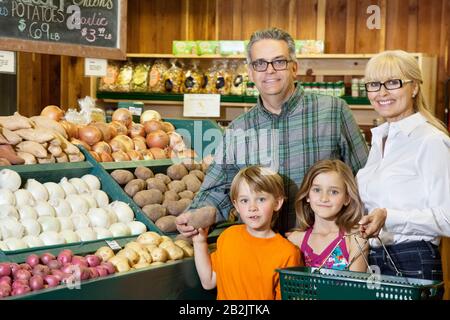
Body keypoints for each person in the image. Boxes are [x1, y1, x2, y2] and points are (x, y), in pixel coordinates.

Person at [176, 27, 368, 237]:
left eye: (279, 62)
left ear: (294, 68)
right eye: (260, 63)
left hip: (324, 251)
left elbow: (364, 177)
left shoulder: (333, 111)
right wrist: (199, 214)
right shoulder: (239, 128)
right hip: (263, 256)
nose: (269, 70)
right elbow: (218, 188)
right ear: (250, 72)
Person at [356, 50, 450, 280]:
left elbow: (448, 218)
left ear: (415, 87)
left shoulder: (431, 140)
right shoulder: (380, 140)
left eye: (393, 83)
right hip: (374, 258)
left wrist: (388, 216)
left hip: (412, 260)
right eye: (374, 84)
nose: (382, 92)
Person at [192, 165, 301, 300]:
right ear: (236, 205)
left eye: (261, 199)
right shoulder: (228, 236)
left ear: (277, 203)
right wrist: (199, 242)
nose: (252, 207)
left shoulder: (288, 253)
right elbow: (209, 282)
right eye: (244, 200)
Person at [288, 159, 368, 272]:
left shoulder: (355, 239)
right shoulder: (295, 240)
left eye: (333, 192)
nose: (324, 198)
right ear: (307, 195)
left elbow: (357, 289)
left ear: (347, 198)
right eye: (317, 190)